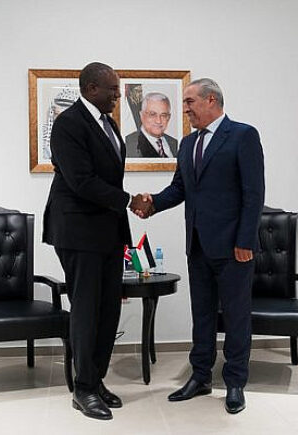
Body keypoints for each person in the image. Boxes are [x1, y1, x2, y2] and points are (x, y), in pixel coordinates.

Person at [133, 78, 264, 414]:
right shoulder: (188, 144)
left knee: (236, 317)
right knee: (202, 315)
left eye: (190, 102)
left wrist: (245, 240)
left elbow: (253, 194)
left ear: (211, 100)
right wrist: (152, 204)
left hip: (235, 248)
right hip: (199, 245)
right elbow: (180, 189)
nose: (186, 109)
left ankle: (235, 382)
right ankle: (201, 376)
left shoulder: (243, 135)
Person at [42, 62, 151, 420]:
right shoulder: (69, 124)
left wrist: (123, 220)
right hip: (77, 230)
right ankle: (83, 389)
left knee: (109, 310)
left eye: (118, 91)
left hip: (107, 230)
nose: (118, 97)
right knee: (87, 310)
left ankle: (96, 379)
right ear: (90, 88)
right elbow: (82, 181)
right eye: (112, 91)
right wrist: (128, 201)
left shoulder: (109, 123)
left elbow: (108, 178)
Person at [125, 92, 178, 158]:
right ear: (141, 115)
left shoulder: (176, 143)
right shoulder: (128, 144)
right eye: (152, 114)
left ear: (169, 117)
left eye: (163, 115)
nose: (158, 121)